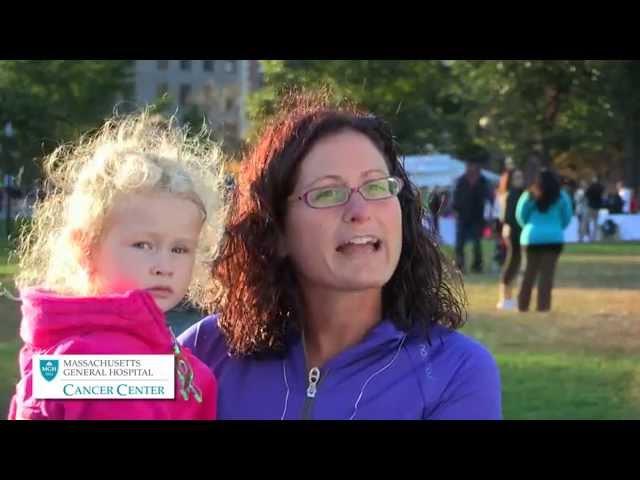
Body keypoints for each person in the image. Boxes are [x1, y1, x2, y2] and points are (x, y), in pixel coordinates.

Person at [179, 92, 502, 420]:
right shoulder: (202, 350)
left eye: (376, 187)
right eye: (328, 193)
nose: (361, 211)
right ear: (275, 232)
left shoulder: (455, 372)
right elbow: (126, 388)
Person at [8, 112, 223, 420]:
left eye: (180, 248)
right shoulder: (107, 364)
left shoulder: (99, 343)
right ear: (85, 247)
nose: (164, 265)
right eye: (143, 245)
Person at [516, 169, 573, 312]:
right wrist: (556, 227)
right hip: (553, 238)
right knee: (546, 276)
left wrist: (529, 227)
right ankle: (543, 307)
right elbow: (567, 217)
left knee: (527, 274)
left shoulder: (529, 195)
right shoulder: (562, 196)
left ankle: (522, 306)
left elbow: (520, 216)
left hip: (532, 237)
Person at [452, 157, 493, 273]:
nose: (472, 168)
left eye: (474, 166)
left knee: (477, 242)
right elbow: (455, 197)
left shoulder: (483, 181)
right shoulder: (461, 180)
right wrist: (455, 209)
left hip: (477, 216)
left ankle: (477, 266)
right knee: (459, 243)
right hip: (462, 215)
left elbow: (489, 197)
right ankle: (460, 266)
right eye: (470, 165)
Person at [496, 168, 525, 310]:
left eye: (521, 177)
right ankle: (505, 298)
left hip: (516, 232)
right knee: (512, 263)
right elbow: (507, 217)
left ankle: (508, 297)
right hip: (514, 233)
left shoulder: (520, 194)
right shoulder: (512, 195)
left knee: (516, 264)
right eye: (517, 178)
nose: (520, 180)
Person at [583, 176, 604, 242]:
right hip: (597, 207)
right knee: (595, 223)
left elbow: (586, 195)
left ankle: (586, 236)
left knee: (586, 221)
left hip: (590, 206)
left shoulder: (591, 187)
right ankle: (594, 237)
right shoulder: (600, 187)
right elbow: (602, 194)